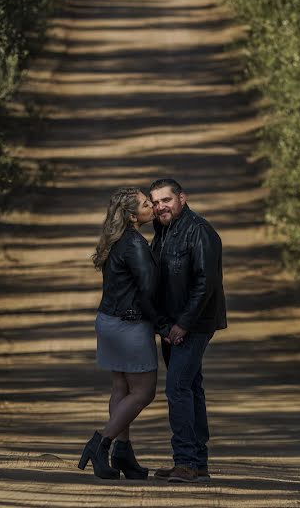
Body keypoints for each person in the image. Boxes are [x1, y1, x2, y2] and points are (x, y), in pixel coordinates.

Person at [78, 187, 169, 479]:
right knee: (143, 392)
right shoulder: (135, 244)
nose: (153, 206)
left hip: (109, 322)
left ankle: (122, 451)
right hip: (129, 326)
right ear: (132, 215)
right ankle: (100, 442)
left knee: (122, 389)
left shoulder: (117, 240)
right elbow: (147, 291)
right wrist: (161, 324)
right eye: (146, 204)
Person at [149, 178, 226, 484]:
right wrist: (166, 325)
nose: (160, 207)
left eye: (166, 200)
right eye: (155, 203)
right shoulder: (164, 231)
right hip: (173, 326)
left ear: (182, 198)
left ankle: (185, 462)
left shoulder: (199, 230)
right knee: (191, 387)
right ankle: (197, 462)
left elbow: (205, 283)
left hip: (194, 324)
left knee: (177, 387)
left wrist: (183, 323)